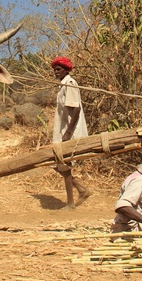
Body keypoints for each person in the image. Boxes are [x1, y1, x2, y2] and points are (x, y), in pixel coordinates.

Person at [51, 56, 92, 209]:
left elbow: (76, 108)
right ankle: (82, 190)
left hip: (70, 131)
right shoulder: (62, 85)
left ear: (66, 70)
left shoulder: (69, 83)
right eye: (55, 69)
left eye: (59, 69)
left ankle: (70, 203)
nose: (56, 72)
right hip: (63, 130)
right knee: (58, 164)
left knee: (64, 165)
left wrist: (68, 132)